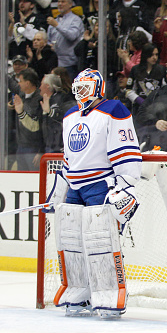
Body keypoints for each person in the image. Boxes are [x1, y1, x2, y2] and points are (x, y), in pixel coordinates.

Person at [46, 68, 142, 319]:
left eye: (85, 86)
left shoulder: (113, 109)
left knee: (101, 241)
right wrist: (57, 192)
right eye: (77, 86)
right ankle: (80, 290)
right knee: (71, 241)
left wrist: (124, 184)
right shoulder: (69, 115)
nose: (79, 91)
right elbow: (68, 159)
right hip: (75, 187)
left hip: (101, 184)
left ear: (98, 88)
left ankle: (110, 292)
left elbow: (127, 150)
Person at [46, 0, 85, 81]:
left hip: (70, 65)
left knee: (69, 92)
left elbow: (72, 36)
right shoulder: (54, 21)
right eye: (59, 2)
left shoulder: (76, 20)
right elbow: (49, 40)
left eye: (63, 2)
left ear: (70, 4)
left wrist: (57, 25)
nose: (60, 4)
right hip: (55, 65)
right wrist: (50, 45)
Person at [12, 68, 43, 171]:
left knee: (35, 179)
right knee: (22, 179)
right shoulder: (21, 96)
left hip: (34, 148)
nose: (18, 84)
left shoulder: (40, 99)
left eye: (20, 81)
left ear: (28, 83)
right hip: (21, 146)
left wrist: (41, 151)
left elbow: (42, 127)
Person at [39, 73, 75, 153]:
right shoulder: (44, 101)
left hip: (60, 148)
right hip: (49, 146)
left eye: (41, 84)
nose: (40, 87)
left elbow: (70, 117)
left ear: (48, 85)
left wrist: (51, 112)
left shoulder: (64, 98)